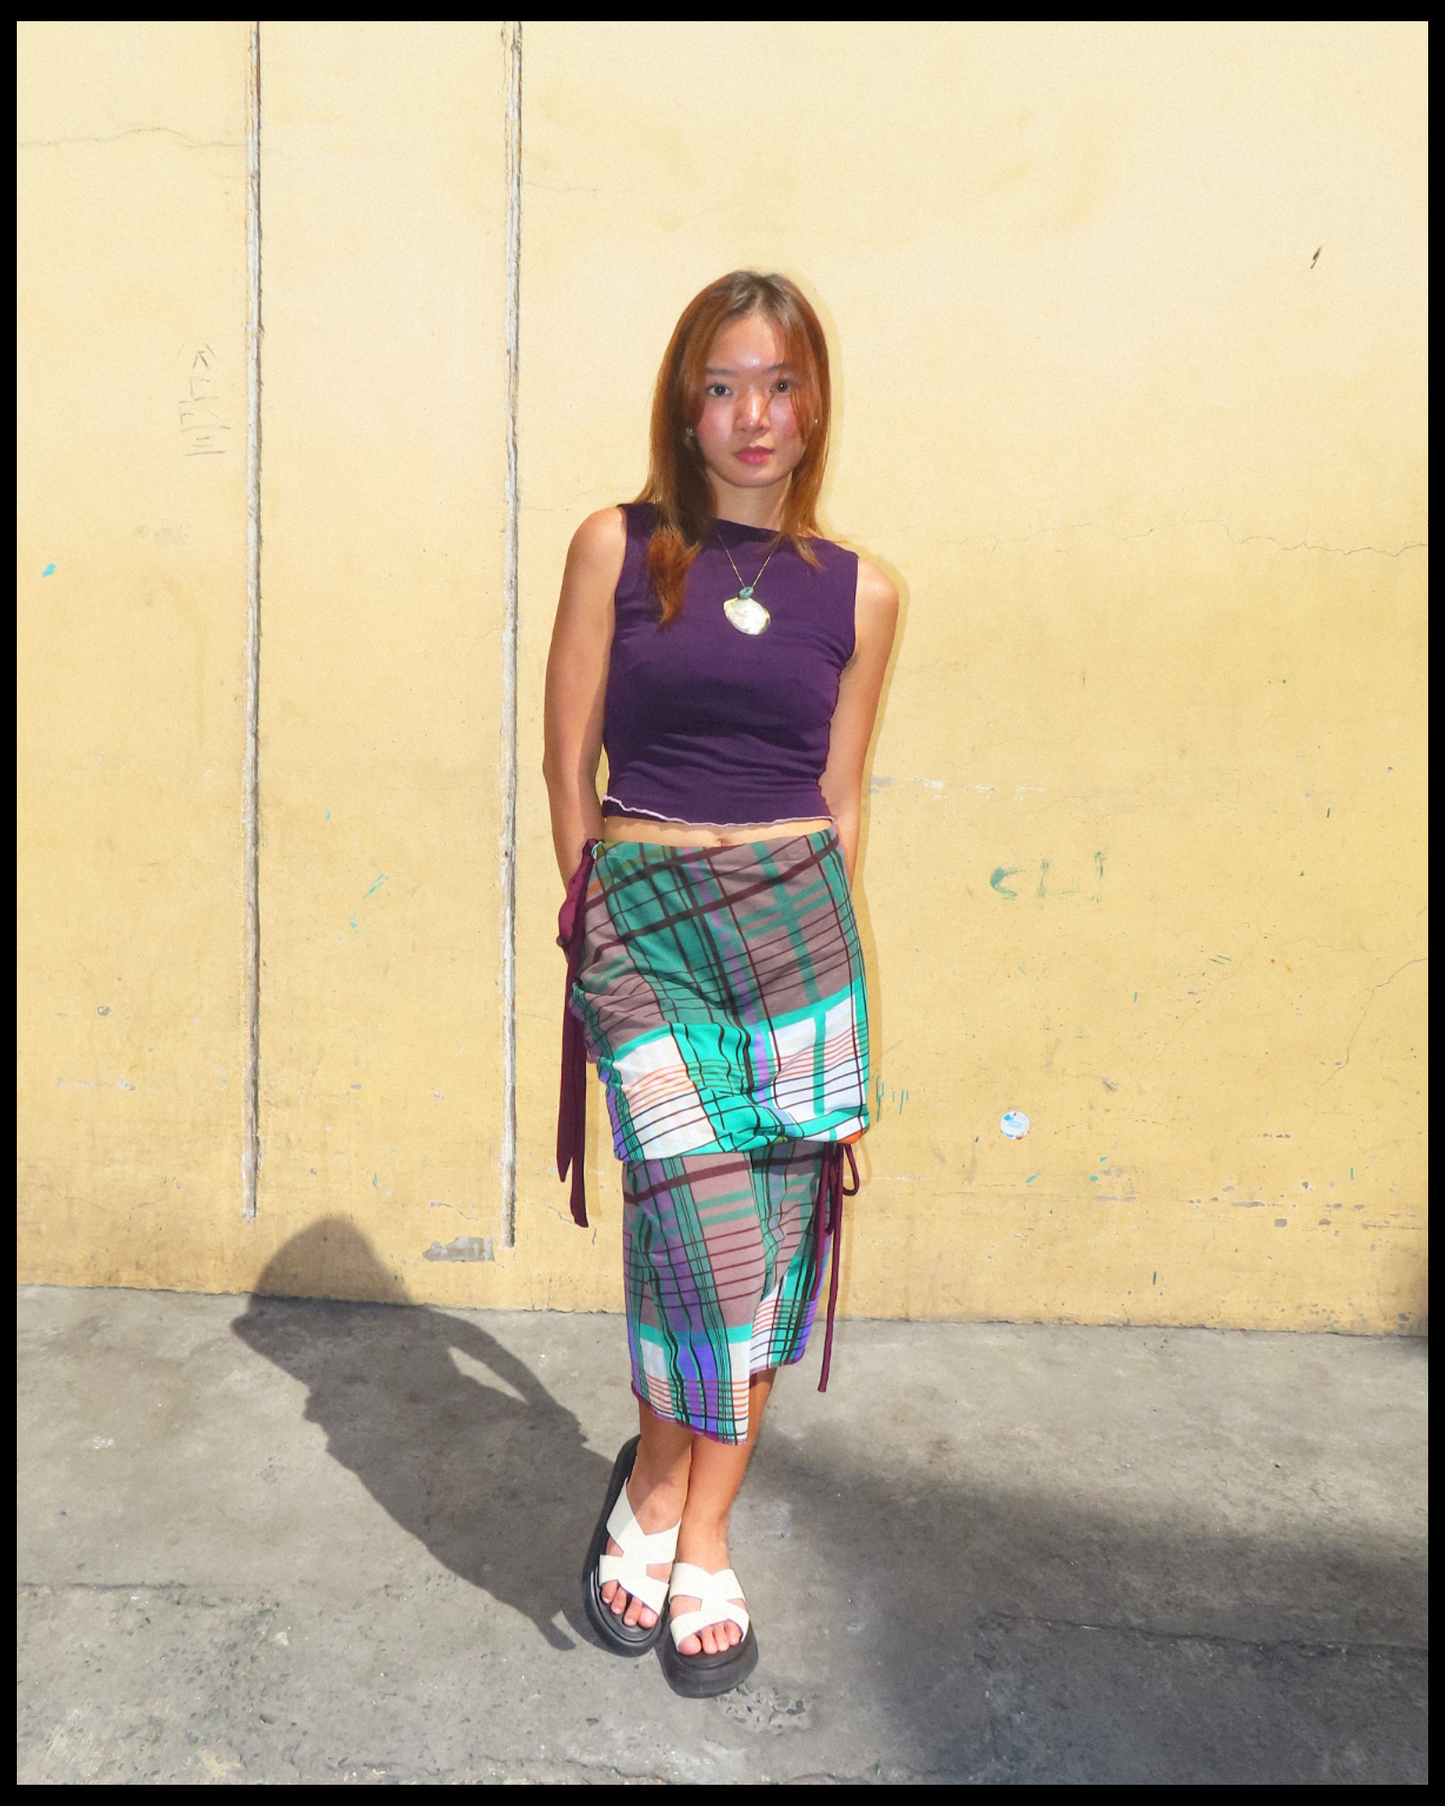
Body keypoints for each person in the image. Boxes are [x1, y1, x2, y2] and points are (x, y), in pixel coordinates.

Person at [543, 269, 898, 1697]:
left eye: (781, 385)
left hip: (798, 934)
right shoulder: (616, 547)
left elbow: (843, 797)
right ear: (685, 408)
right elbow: (568, 764)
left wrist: (832, 976)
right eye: (724, 385)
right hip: (649, 922)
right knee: (700, 1238)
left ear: (814, 407)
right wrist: (593, 925)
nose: (755, 414)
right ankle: (655, 1488)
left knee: (769, 1249)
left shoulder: (861, 590)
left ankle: (695, 1525)